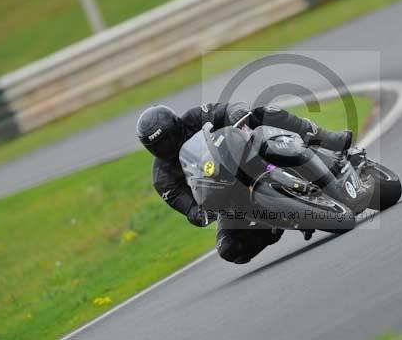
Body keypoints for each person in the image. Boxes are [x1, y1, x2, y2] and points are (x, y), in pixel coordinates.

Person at [136, 102, 352, 264]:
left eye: (169, 138)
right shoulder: (162, 179)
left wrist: (236, 112)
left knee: (264, 112)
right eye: (159, 146)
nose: (168, 147)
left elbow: (225, 110)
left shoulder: (194, 117)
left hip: (246, 157)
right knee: (228, 249)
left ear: (176, 125)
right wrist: (200, 214)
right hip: (227, 199)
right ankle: (271, 226)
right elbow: (190, 209)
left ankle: (329, 139)